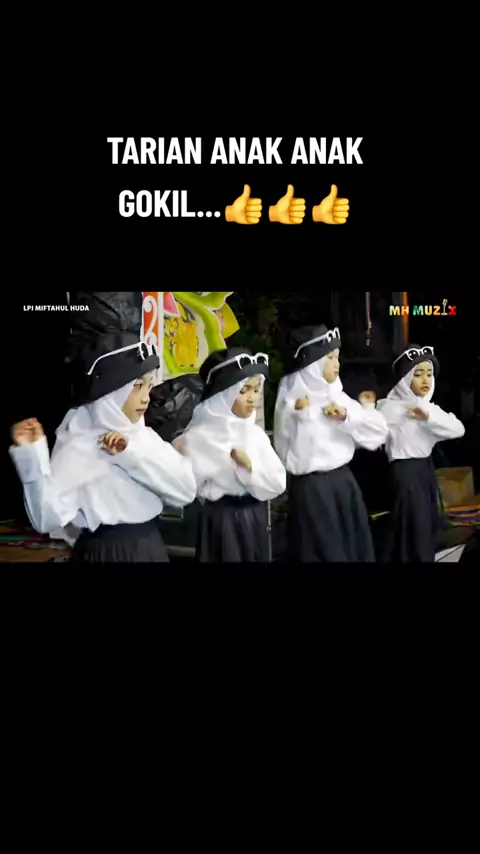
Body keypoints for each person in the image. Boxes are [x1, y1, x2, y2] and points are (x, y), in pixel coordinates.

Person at [9, 332, 197, 563]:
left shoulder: (145, 439)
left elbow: (185, 492)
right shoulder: (81, 444)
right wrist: (33, 457)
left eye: (149, 386)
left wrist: (131, 455)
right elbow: (46, 519)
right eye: (137, 386)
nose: (146, 398)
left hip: (149, 548)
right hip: (101, 552)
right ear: (110, 391)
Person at [274, 324, 388, 562]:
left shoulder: (336, 397)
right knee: (323, 550)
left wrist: (346, 417)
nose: (337, 364)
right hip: (313, 490)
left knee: (352, 549)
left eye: (337, 357)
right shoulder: (291, 403)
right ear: (312, 364)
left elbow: (378, 433)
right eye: (330, 358)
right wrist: (301, 417)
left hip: (343, 483)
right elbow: (285, 450)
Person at [173, 347, 287, 562]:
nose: (252, 398)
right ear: (223, 395)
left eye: (256, 390)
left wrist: (250, 469)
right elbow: (184, 486)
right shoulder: (197, 437)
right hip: (220, 521)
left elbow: (278, 483)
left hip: (254, 518)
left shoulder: (255, 435)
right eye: (243, 391)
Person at [376, 343, 465, 562]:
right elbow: (371, 433)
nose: (425, 380)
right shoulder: (389, 407)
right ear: (405, 379)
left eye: (429, 374)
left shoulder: (427, 408)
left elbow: (458, 429)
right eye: (418, 374)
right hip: (404, 475)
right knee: (411, 528)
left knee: (425, 526)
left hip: (425, 473)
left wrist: (429, 418)